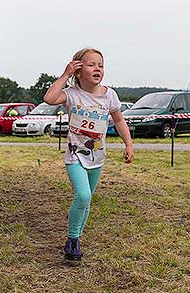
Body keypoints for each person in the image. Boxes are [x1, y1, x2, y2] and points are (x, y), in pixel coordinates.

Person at [44, 48, 134, 265]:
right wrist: (65, 75)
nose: (98, 69)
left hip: (97, 157)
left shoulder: (109, 95)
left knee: (88, 200)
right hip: (75, 155)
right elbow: (49, 98)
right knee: (83, 196)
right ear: (78, 69)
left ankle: (76, 238)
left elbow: (119, 121)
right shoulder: (72, 94)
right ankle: (72, 239)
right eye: (91, 64)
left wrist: (128, 144)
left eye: (101, 65)